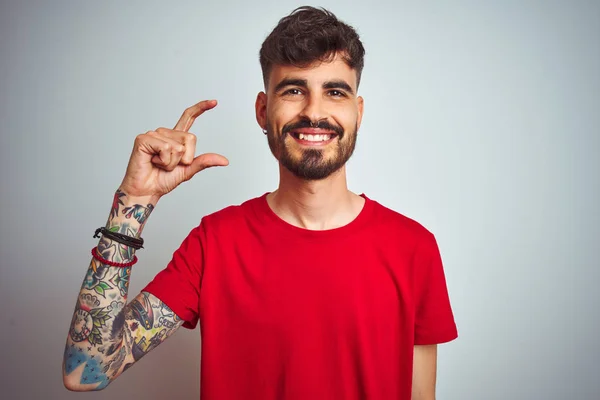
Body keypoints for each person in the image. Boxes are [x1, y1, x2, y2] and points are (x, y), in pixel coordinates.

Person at [62, 6, 457, 399]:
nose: (314, 112)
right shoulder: (214, 243)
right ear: (263, 111)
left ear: (357, 112)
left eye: (334, 92)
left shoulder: (414, 248)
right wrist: (134, 202)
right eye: (293, 90)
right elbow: (87, 371)